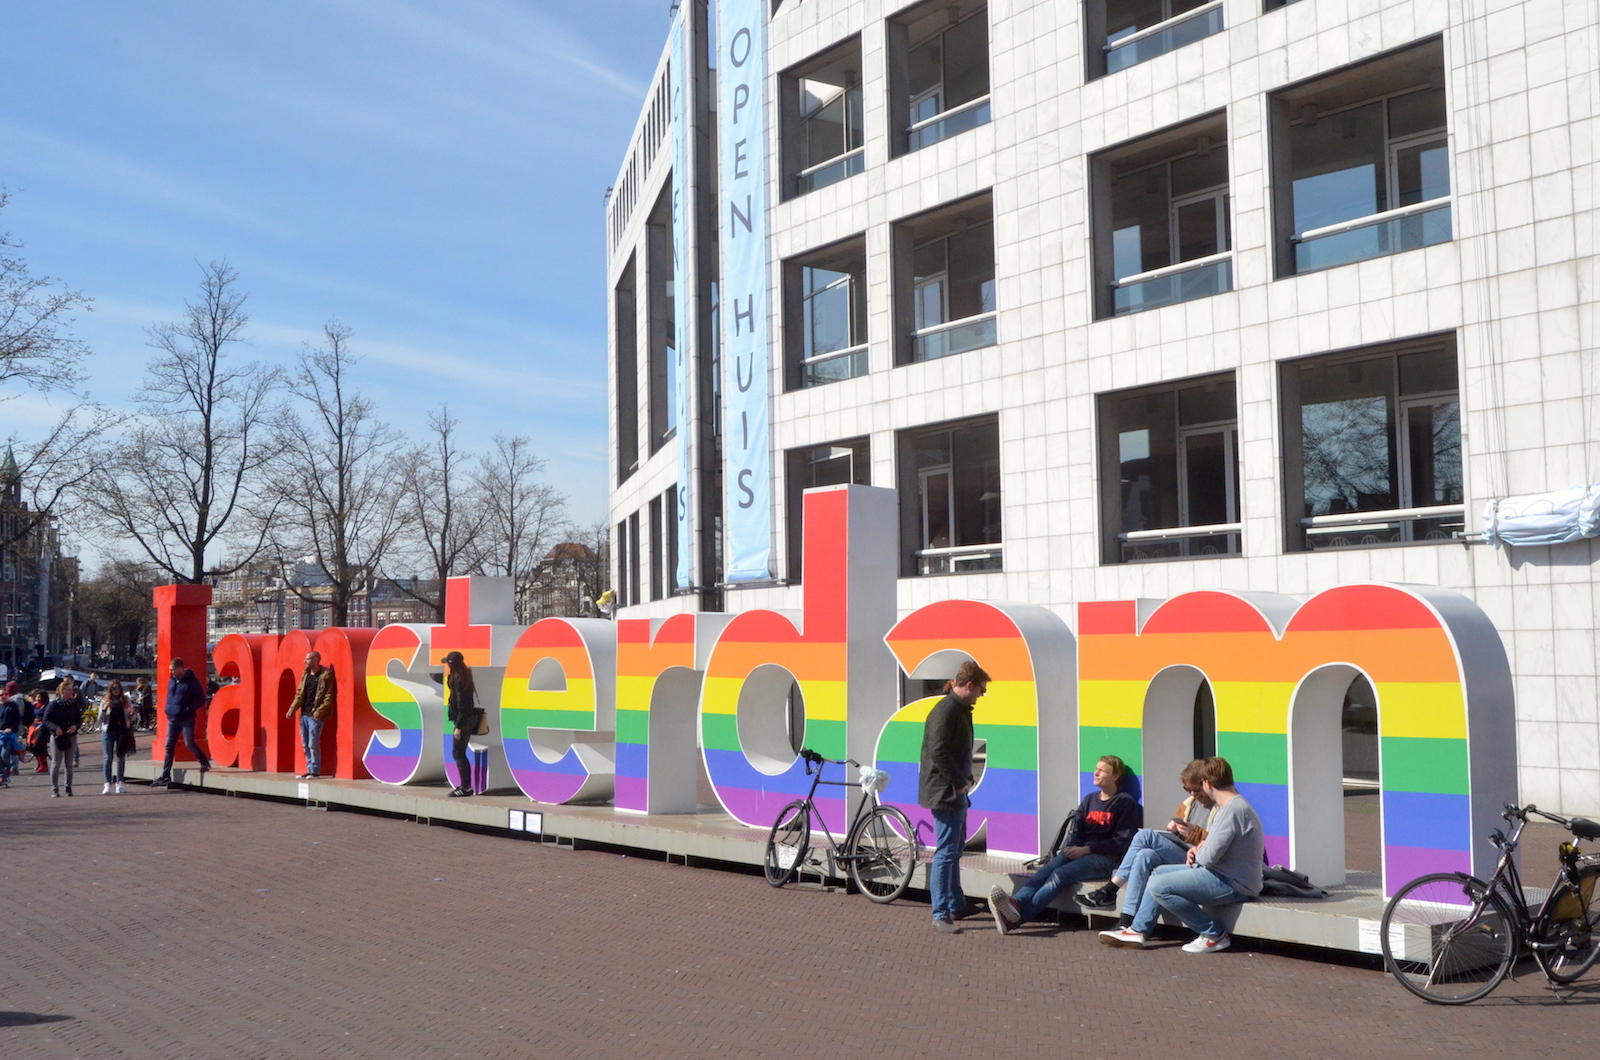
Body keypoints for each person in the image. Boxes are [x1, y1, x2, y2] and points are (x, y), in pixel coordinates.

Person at [1099, 756, 1264, 954]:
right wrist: (1199, 847)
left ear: (1207, 783)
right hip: (1227, 874)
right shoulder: (1234, 807)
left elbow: (1208, 859)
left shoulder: (1232, 810)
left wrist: (1198, 851)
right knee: (1158, 873)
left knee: (1158, 885)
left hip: (1234, 882)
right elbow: (1215, 847)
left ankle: (1213, 934)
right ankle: (1138, 930)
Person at [990, 755, 1141, 934]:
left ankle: (1018, 918)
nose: (1095, 773)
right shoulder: (1089, 799)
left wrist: (1087, 849)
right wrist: (1073, 847)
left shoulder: (1125, 802)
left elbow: (1120, 842)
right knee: (1048, 868)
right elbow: (1077, 831)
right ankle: (1016, 902)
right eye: (1096, 769)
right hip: (1080, 851)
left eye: (1101, 770)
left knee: (1061, 874)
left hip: (1105, 859)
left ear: (1115, 776)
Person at [1081, 759, 1213, 913]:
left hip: (1201, 862)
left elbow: (1218, 842)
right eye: (1188, 789)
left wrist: (1194, 833)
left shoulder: (1219, 808)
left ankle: (1111, 888)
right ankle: (1128, 920)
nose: (1193, 794)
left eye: (1196, 789)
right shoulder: (1187, 805)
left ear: (1206, 784)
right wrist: (1174, 831)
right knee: (1146, 854)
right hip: (1183, 856)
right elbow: (1180, 840)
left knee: (1144, 835)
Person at [919, 660, 990, 934]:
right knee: (947, 852)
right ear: (969, 685)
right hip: (945, 791)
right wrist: (961, 782)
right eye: (981, 690)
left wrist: (964, 780)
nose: (981, 696)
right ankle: (941, 913)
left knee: (954, 850)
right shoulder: (947, 710)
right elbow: (938, 751)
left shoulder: (956, 709)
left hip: (952, 789)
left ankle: (956, 905)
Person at [154, 657, 212, 787]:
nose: (171, 673)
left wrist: (187, 709)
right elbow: (170, 697)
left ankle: (204, 761)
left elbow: (201, 700)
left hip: (186, 717)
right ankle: (165, 775)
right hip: (173, 718)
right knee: (169, 746)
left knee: (189, 743)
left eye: (173, 670)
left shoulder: (192, 682)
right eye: (170, 670)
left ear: (180, 669)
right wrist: (168, 710)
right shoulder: (172, 681)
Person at [286, 651, 336, 779]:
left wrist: (318, 713)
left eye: (307, 659)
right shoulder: (306, 674)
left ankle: (315, 771)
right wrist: (292, 709)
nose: (305, 661)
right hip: (304, 714)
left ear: (315, 660)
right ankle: (309, 769)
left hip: (315, 715)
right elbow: (299, 694)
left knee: (313, 743)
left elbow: (329, 696)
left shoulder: (325, 675)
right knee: (305, 743)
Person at [443, 651, 482, 797]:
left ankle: (465, 787)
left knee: (458, 753)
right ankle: (465, 786)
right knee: (459, 753)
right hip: (466, 720)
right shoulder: (465, 676)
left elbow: (463, 706)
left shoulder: (459, 681)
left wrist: (458, 727)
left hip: (463, 722)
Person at [43, 675, 86, 797]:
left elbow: (79, 719)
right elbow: (46, 720)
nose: (71, 692)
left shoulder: (74, 704)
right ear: (62, 692)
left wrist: (75, 727)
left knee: (69, 763)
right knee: (56, 762)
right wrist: (55, 728)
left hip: (71, 735)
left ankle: (68, 787)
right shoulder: (54, 705)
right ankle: (54, 788)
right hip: (58, 737)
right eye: (69, 690)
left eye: (71, 690)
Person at [99, 679, 136, 794]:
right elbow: (100, 720)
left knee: (120, 757)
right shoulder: (105, 700)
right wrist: (104, 710)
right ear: (111, 689)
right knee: (107, 758)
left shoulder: (125, 700)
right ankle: (107, 784)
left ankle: (119, 783)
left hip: (122, 731)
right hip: (108, 731)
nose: (117, 690)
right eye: (114, 688)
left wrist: (132, 714)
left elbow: (133, 717)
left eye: (118, 688)